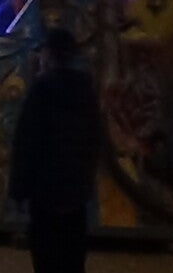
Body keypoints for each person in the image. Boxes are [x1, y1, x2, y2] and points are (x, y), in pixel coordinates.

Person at [10, 28, 103, 273]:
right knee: (72, 257)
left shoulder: (42, 90)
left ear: (48, 55)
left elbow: (26, 141)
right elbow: (94, 138)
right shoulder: (86, 91)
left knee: (47, 257)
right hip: (75, 192)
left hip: (45, 192)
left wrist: (19, 190)